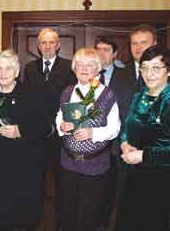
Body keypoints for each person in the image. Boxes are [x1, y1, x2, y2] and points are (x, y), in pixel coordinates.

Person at [115, 45, 170, 231]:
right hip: (132, 176)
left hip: (160, 182)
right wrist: (124, 143)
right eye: (144, 67)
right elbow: (126, 128)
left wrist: (144, 156)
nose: (149, 74)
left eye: (156, 68)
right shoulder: (138, 97)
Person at [56, 47, 121, 231]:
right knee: (68, 210)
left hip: (95, 165)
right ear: (74, 68)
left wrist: (93, 133)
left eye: (90, 65)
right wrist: (62, 125)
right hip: (68, 163)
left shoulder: (107, 94)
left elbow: (114, 128)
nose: (84, 69)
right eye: (80, 64)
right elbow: (60, 115)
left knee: (89, 213)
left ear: (98, 69)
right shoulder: (67, 92)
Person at [0, 50, 47, 231]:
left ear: (17, 72)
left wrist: (20, 131)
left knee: (22, 218)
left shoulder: (32, 93)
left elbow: (44, 126)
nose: (3, 73)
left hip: (24, 164)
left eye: (8, 69)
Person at [23, 28, 76, 230]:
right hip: (36, 133)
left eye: (51, 42)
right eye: (43, 42)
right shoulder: (29, 68)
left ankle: (61, 220)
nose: (47, 46)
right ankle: (35, 217)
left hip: (60, 133)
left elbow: (71, 99)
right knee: (35, 177)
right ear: (38, 46)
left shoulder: (68, 67)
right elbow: (27, 100)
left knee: (61, 180)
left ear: (58, 45)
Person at [120, 24, 170, 120]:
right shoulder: (119, 74)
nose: (138, 47)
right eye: (134, 43)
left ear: (154, 44)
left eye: (143, 42)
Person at [95, 37, 125, 230]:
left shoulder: (125, 75)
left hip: (115, 142)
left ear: (115, 54)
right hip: (92, 141)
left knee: (113, 187)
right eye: (98, 49)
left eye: (106, 49)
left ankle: (106, 222)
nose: (101, 53)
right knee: (96, 185)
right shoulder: (88, 74)